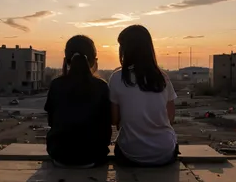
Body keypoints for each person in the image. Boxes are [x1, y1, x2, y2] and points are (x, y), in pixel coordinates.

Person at [109, 25, 178, 167]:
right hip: (164, 153)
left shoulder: (117, 78)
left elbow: (114, 119)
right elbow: (170, 117)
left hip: (131, 153)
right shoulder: (162, 78)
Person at [45, 35, 111, 167]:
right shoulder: (101, 87)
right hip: (93, 156)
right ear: (94, 61)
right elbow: (107, 124)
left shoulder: (56, 85)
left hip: (60, 155)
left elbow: (51, 121)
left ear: (67, 60)